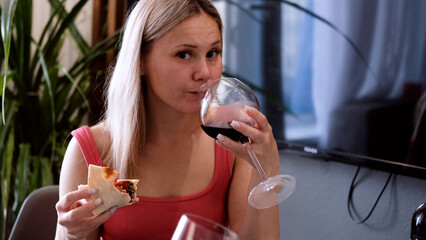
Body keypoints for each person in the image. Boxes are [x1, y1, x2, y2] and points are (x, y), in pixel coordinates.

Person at [55, 0, 281, 239]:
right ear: (140, 60)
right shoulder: (88, 150)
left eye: (212, 53)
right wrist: (73, 234)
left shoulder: (232, 140)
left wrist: (267, 171)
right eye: (184, 54)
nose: (204, 72)